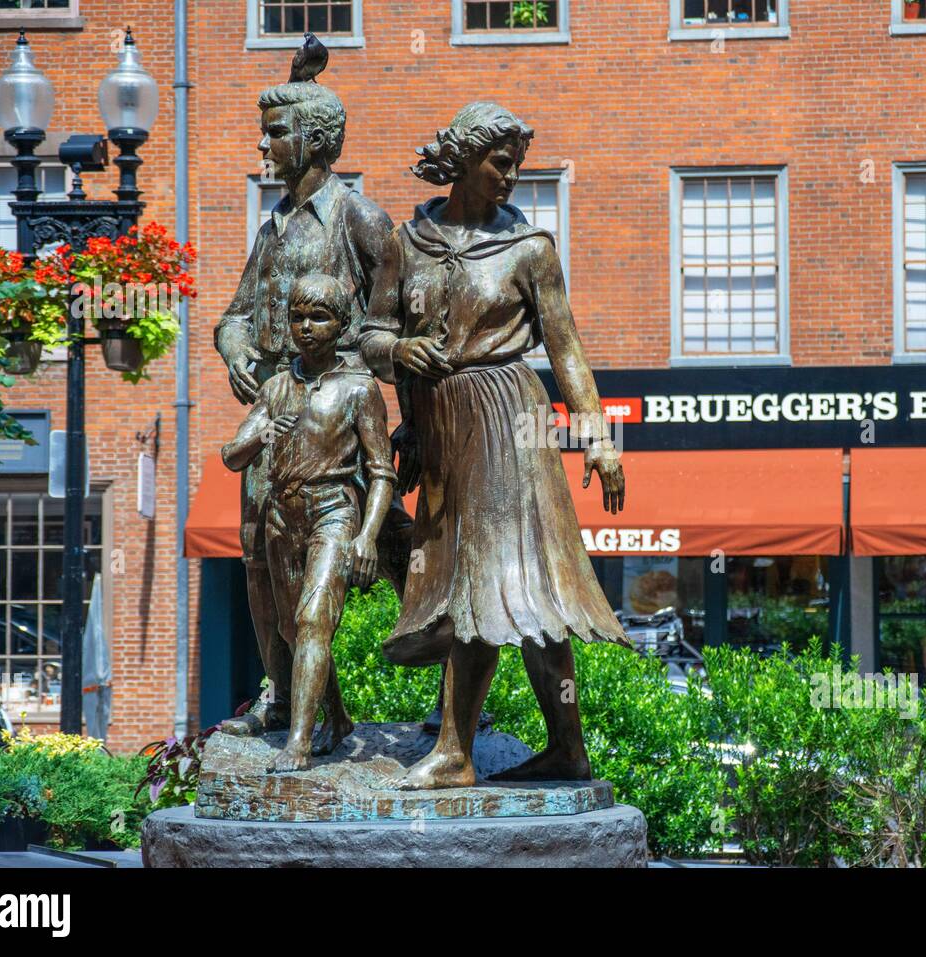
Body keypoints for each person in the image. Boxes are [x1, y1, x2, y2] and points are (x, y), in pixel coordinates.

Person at [360, 102, 627, 789]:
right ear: (463, 161)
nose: (511, 177)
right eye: (499, 163)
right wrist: (402, 358)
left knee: (512, 582)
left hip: (509, 421)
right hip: (444, 430)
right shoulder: (405, 242)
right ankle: (558, 749)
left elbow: (566, 349)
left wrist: (598, 436)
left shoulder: (530, 249)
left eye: (518, 165)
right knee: (479, 584)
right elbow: (368, 336)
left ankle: (461, 748)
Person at [214, 60, 415, 738]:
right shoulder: (272, 226)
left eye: (275, 133)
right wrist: (238, 350)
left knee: (394, 553)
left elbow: (400, 324)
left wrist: (409, 426)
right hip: (276, 408)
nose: (263, 147)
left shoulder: (360, 220)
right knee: (261, 562)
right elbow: (234, 314)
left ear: (316, 141)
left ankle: (452, 687)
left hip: (344, 418)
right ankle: (283, 698)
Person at [222, 274, 397, 771]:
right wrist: (260, 436)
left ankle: (298, 740)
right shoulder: (276, 387)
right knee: (292, 628)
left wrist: (367, 536)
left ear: (342, 325)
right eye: (297, 317)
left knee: (313, 619)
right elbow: (233, 456)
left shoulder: (360, 390)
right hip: (282, 516)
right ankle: (337, 717)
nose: (305, 327)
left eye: (318, 317)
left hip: (334, 510)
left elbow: (382, 472)